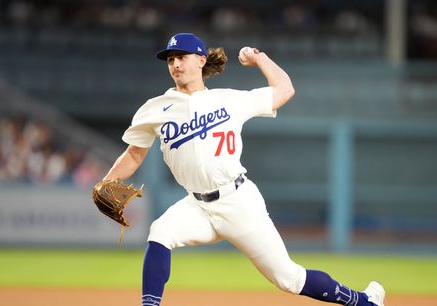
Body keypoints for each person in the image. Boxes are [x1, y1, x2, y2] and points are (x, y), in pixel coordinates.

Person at [101, 33, 386, 306]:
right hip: (196, 205)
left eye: (182, 56)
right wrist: (106, 182)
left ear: (201, 60)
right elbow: (134, 154)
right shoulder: (155, 108)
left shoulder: (229, 99)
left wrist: (260, 59)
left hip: (238, 201)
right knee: (160, 231)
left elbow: (285, 89)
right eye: (170, 59)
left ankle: (364, 301)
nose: (175, 64)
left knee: (289, 279)